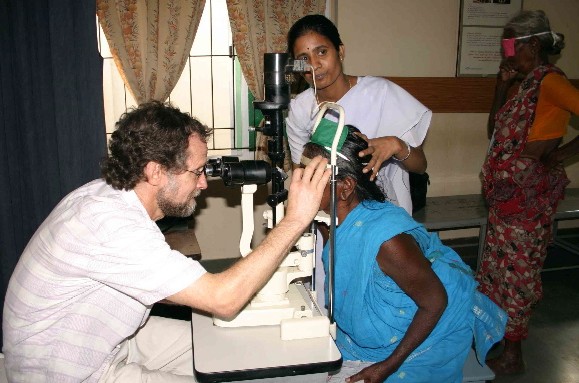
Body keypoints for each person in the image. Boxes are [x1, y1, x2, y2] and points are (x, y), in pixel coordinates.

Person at [2, 101, 331, 382]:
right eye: (197, 171)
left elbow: (160, 282)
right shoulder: (112, 225)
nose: (203, 184)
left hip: (111, 339)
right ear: (155, 172)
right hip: (67, 371)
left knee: (231, 348)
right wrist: (295, 219)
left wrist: (199, 289)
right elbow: (225, 300)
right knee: (222, 333)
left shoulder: (109, 194)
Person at [299, 123, 506, 383]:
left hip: (428, 334)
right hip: (373, 333)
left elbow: (434, 301)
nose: (299, 184)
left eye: (310, 177)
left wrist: (387, 366)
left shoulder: (387, 241)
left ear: (345, 187)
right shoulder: (328, 219)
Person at [477, 10, 579, 376]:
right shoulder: (526, 84)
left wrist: (560, 156)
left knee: (518, 275)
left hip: (527, 201)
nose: (507, 55)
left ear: (532, 45)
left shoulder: (550, 82)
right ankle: (502, 343)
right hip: (506, 201)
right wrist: (500, 88)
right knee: (498, 273)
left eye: (511, 46)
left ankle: (515, 356)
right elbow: (494, 131)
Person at [286, 14, 431, 215]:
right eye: (304, 58)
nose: (314, 65)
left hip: (382, 216)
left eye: (322, 52)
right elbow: (301, 174)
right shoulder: (300, 108)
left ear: (340, 51)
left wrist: (397, 145)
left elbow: (420, 166)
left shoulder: (381, 93)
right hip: (326, 219)